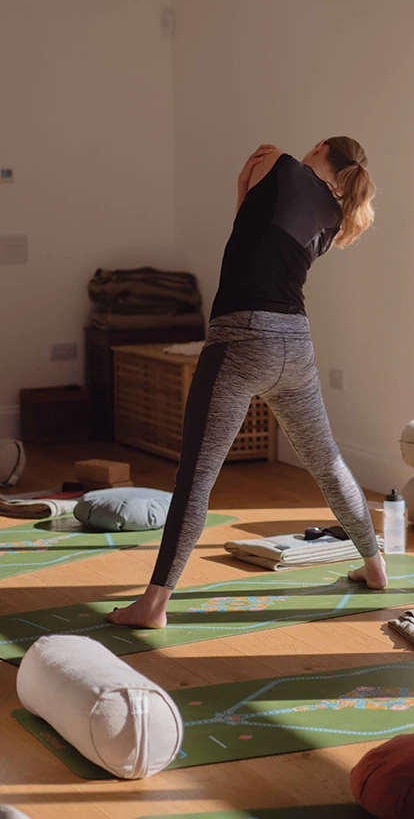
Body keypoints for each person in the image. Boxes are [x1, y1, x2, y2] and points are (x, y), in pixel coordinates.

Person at [109, 138, 387, 629]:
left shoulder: (280, 163)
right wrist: (245, 186)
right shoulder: (335, 215)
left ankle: (152, 605)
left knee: (196, 477)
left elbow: (243, 226)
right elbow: (251, 233)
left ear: (320, 147)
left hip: (240, 339)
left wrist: (243, 179)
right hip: (294, 345)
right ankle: (374, 565)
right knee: (327, 462)